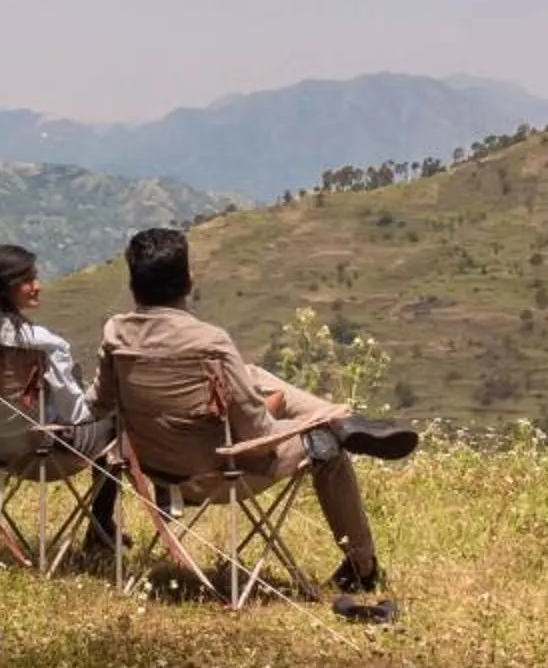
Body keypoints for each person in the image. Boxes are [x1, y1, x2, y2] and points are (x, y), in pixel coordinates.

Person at [85, 226, 417, 594]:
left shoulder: (115, 334)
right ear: (189, 282)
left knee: (253, 375)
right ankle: (362, 564)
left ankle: (344, 421)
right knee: (328, 446)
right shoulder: (210, 342)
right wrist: (307, 422)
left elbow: (99, 405)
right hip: (220, 474)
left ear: (134, 286)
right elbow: (258, 439)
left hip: (152, 471)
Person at [0, 244, 122, 553]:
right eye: (27, 280)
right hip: (39, 452)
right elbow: (75, 414)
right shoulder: (42, 344)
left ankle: (102, 531)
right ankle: (102, 529)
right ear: (4, 288)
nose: (37, 286)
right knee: (117, 421)